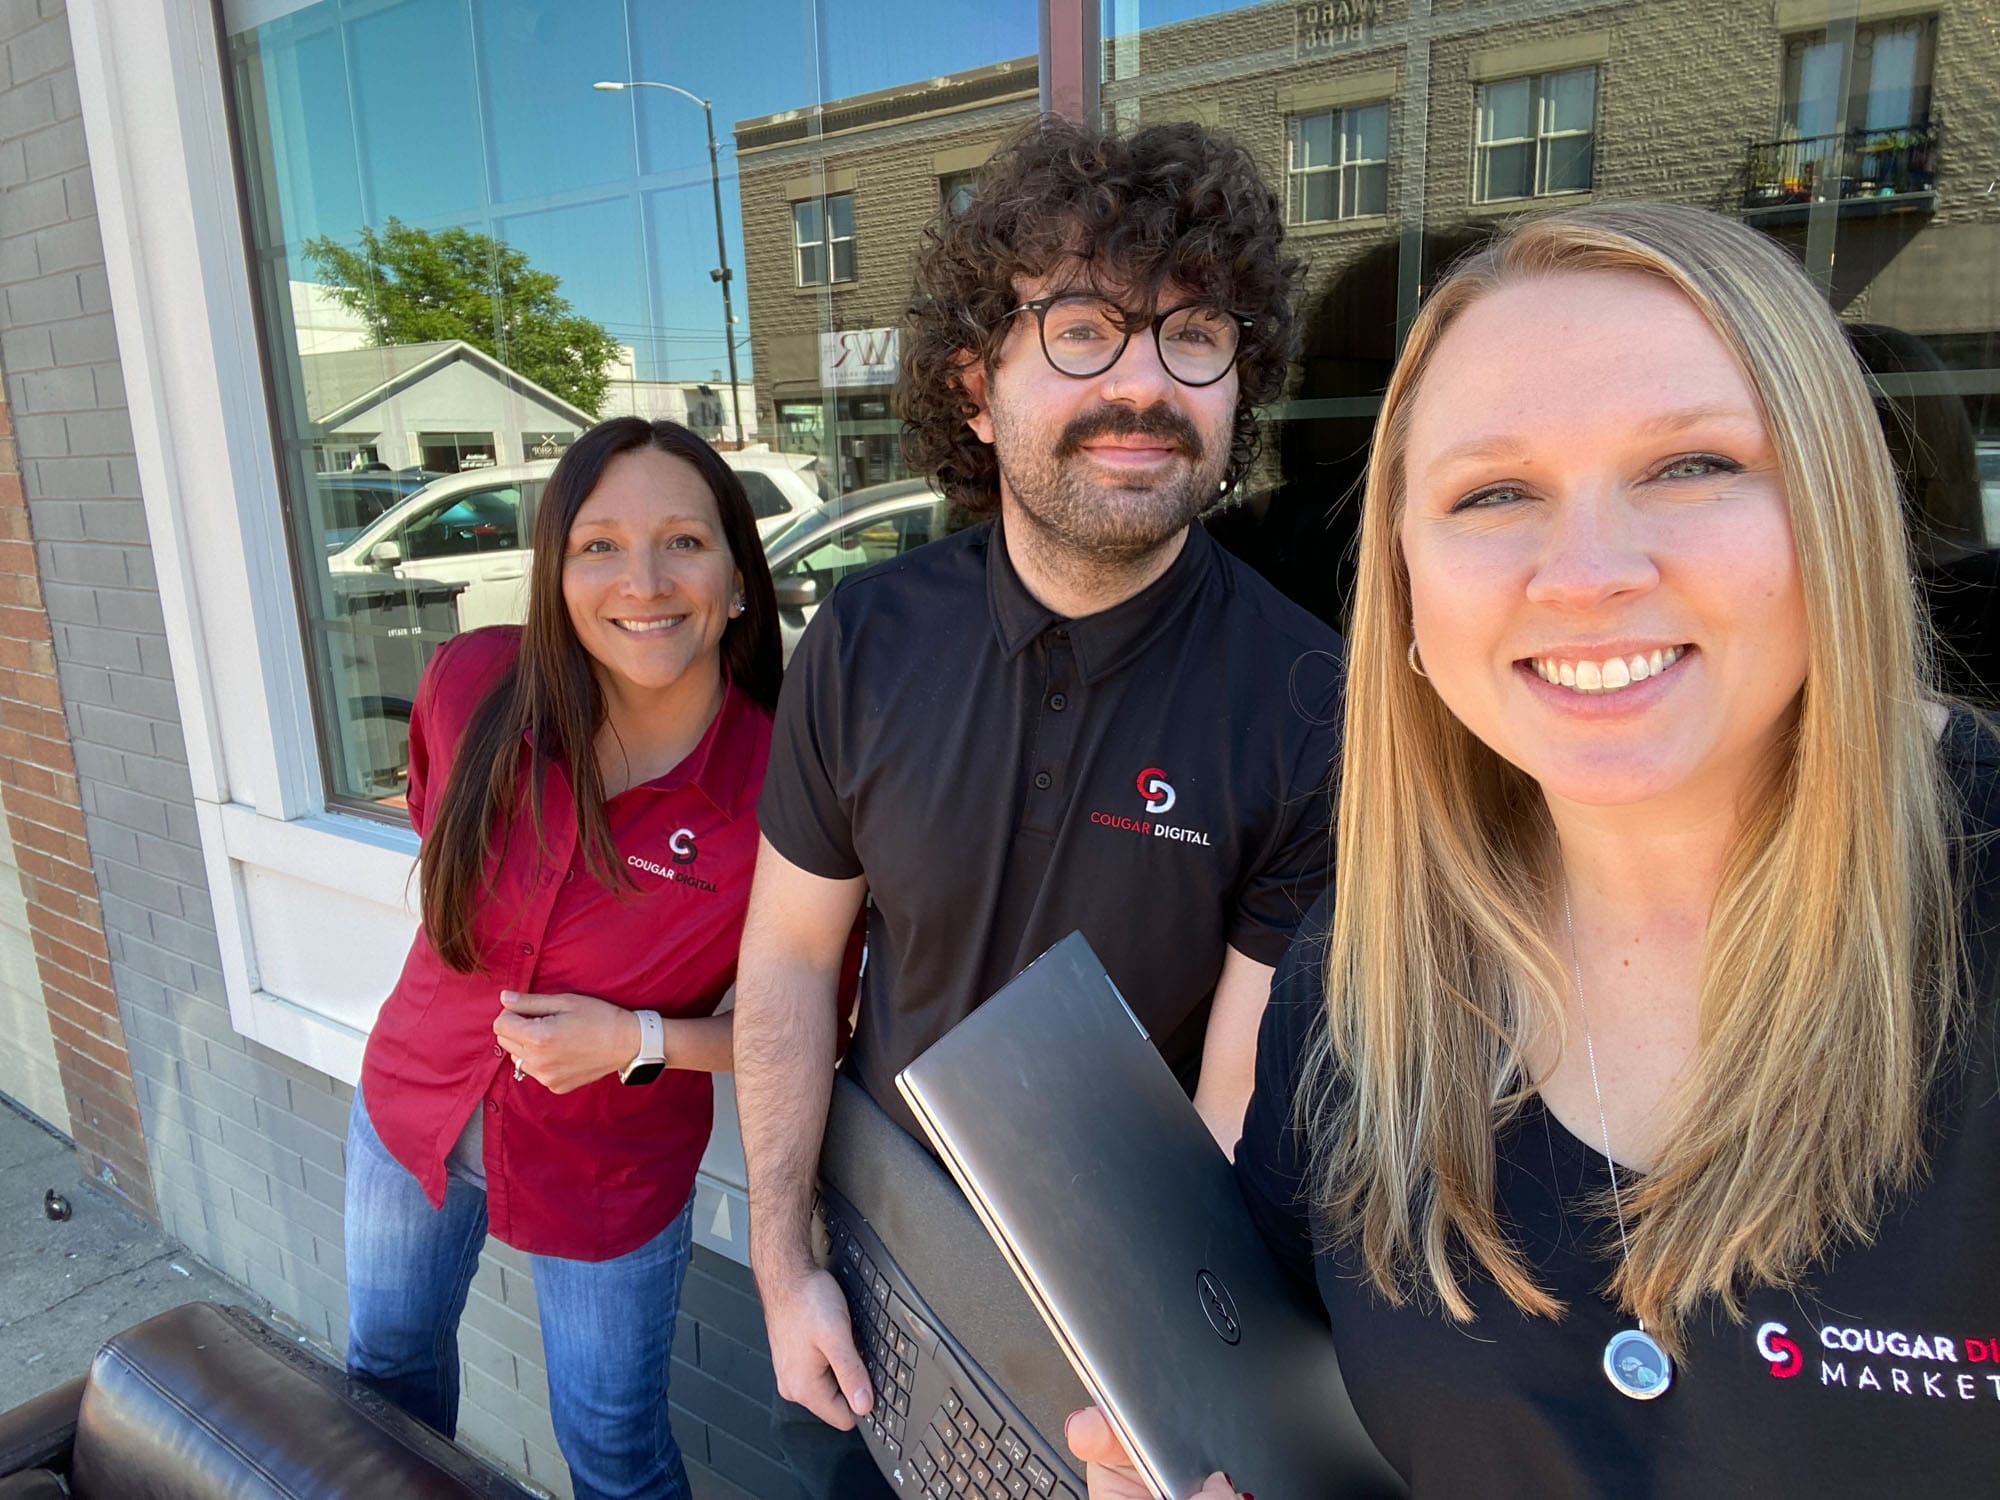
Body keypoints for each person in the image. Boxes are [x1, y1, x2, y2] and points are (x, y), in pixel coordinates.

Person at [1069, 199, 2000, 1497]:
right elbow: (1299, 1398)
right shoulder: (1356, 980)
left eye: (1691, 466)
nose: (1586, 571)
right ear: (1404, 589)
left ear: (1837, 516)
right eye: (1495, 491)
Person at [733, 116, 1345, 1498]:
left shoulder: (1313, 701)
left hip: (1098, 1364)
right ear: (974, 381)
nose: (1144, 384)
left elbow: (1230, 1111)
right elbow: (784, 962)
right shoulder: (868, 639)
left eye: (1195, 333)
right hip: (870, 1279)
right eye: (1082, 329)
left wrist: (1162, 1401)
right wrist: (784, 1264)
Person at [342, 417, 781, 1500]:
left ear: (735, 579)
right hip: (413, 1111)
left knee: (612, 1451)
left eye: (683, 541)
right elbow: (439, 840)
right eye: (598, 545)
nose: (642, 579)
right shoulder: (466, 686)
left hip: (608, 1170)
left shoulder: (783, 792)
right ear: (554, 572)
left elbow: (811, 1028)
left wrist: (635, 1040)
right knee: (382, 1384)